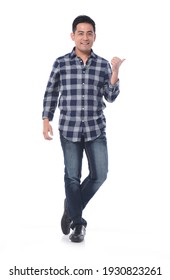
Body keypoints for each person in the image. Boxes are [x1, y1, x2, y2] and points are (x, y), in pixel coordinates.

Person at [42, 15, 125, 242]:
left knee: (100, 175)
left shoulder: (102, 64)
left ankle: (70, 208)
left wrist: (115, 73)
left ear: (94, 37)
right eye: (80, 33)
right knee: (72, 178)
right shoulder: (61, 63)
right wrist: (46, 118)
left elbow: (110, 97)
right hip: (68, 128)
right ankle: (78, 224)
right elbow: (51, 91)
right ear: (73, 36)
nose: (85, 37)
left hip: (95, 128)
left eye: (89, 33)